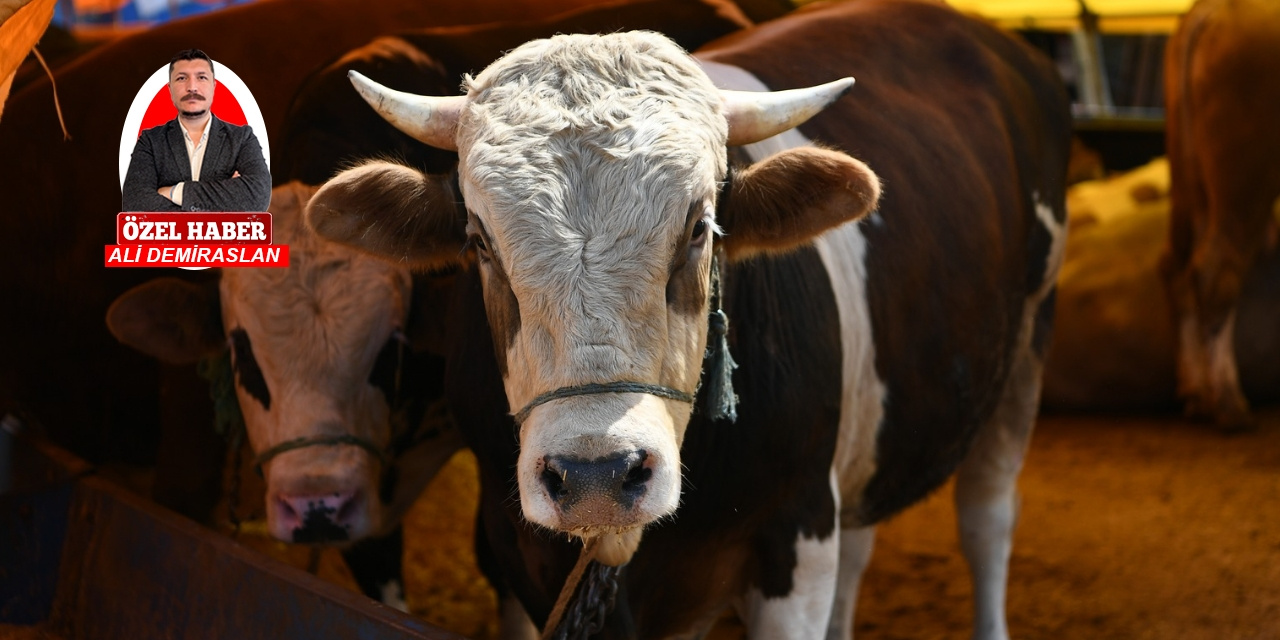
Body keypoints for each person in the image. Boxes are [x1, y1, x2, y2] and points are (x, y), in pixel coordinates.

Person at [122, 49, 271, 212]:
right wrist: (226, 197)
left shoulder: (242, 138)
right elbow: (135, 202)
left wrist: (175, 192)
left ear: (214, 86)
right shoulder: (150, 141)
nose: (192, 87)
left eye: (201, 77)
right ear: (170, 89)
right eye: (181, 78)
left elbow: (259, 195)